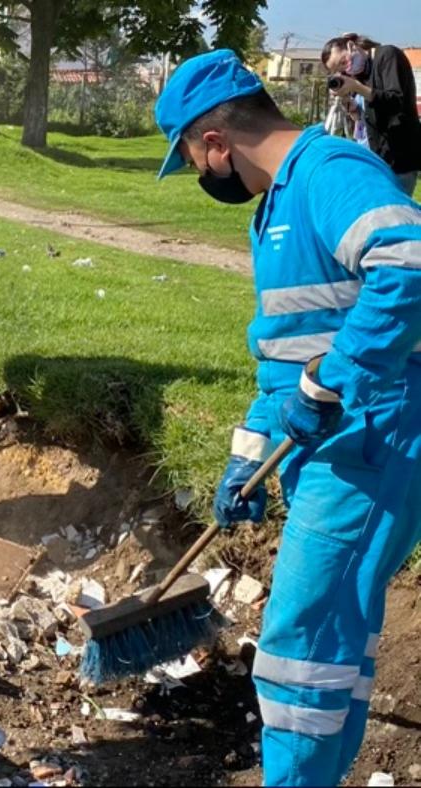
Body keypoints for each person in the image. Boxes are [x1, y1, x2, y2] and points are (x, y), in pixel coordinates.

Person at [155, 49, 421, 786]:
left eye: (195, 162)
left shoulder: (329, 172)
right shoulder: (279, 201)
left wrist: (332, 383)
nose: (205, 179)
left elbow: (407, 260)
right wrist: (250, 450)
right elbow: (284, 354)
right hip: (335, 443)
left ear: (216, 142)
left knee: (296, 651)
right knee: (333, 648)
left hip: (372, 439)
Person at [322, 34, 421, 195]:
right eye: (340, 71)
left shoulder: (387, 55)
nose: (346, 70)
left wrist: (357, 87)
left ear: (351, 46)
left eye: (343, 62)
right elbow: (367, 118)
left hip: (398, 159)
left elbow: (395, 101)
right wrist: (352, 107)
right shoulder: (359, 75)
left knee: (394, 214)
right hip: (374, 157)